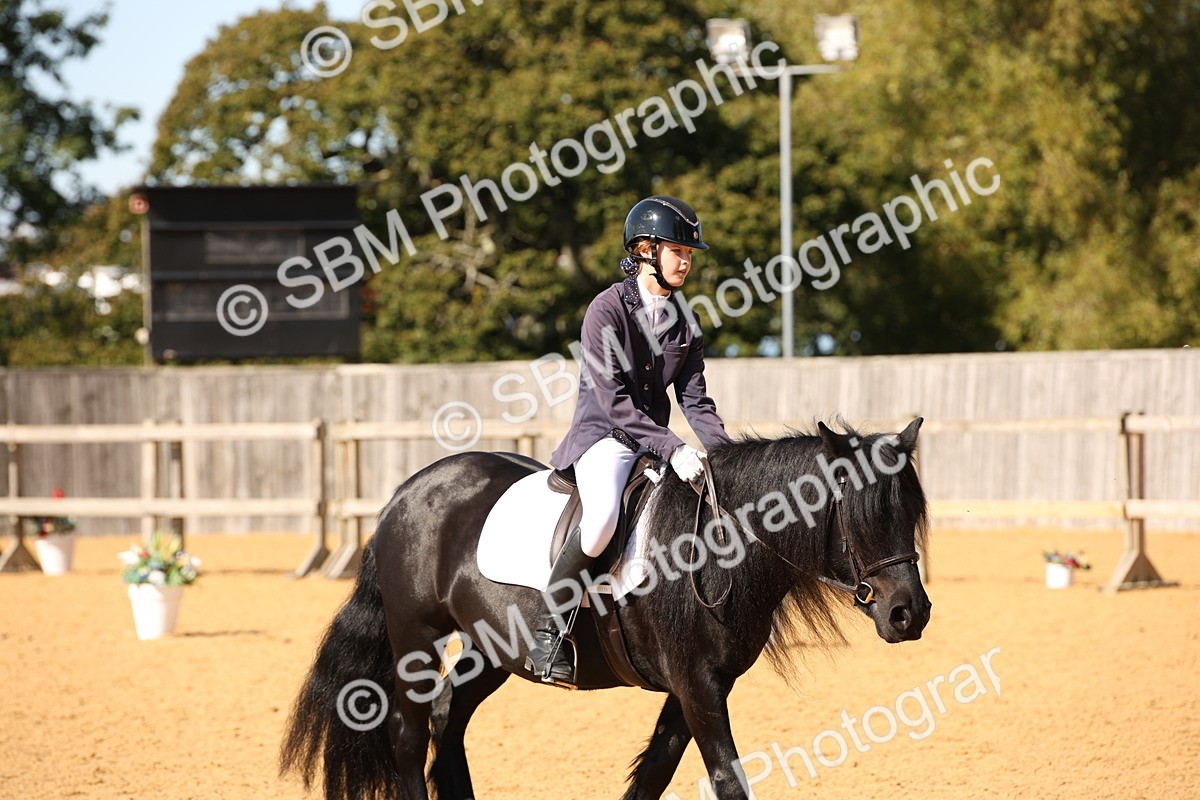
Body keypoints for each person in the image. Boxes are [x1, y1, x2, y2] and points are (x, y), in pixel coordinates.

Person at [528, 195, 733, 684]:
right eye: (677, 251)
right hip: (604, 437)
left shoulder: (685, 323)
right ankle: (547, 629)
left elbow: (696, 402)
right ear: (645, 250)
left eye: (689, 254)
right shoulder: (606, 310)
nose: (685, 262)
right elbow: (613, 401)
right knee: (601, 520)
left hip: (651, 445)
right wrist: (673, 447)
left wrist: (726, 455)